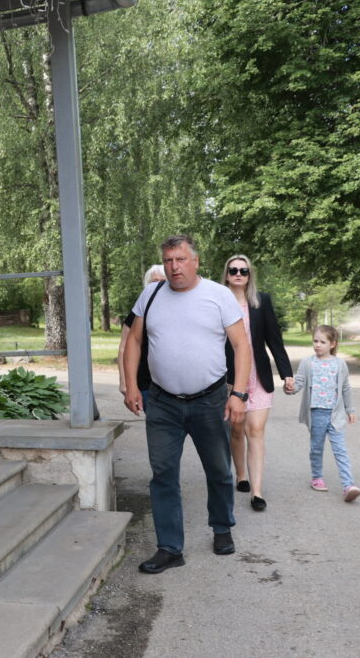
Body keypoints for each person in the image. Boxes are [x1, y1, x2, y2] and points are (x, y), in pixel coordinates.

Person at [120, 235, 252, 574]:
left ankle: (221, 527)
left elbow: (242, 346)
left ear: (195, 261)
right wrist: (132, 385)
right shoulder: (151, 294)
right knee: (163, 474)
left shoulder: (218, 295)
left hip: (210, 401)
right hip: (162, 402)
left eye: (180, 259)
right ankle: (169, 548)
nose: (174, 267)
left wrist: (238, 394)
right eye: (168, 260)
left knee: (219, 469)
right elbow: (134, 341)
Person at [221, 255, 294, 512]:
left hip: (258, 376)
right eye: (233, 270)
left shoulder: (261, 301)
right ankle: (241, 475)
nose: (238, 274)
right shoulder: (218, 303)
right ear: (226, 274)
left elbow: (274, 339)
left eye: (244, 270)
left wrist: (286, 373)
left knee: (256, 430)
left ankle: (257, 491)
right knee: (237, 429)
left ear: (249, 275)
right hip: (230, 379)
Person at [285, 325, 360, 502]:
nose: (318, 345)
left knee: (340, 450)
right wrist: (289, 388)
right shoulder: (307, 363)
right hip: (316, 413)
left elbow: (345, 388)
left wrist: (350, 410)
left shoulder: (340, 364)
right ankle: (317, 477)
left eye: (322, 342)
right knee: (316, 448)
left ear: (332, 344)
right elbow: (298, 384)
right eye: (315, 341)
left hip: (336, 414)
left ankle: (348, 485)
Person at [119, 264, 166, 409]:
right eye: (154, 281)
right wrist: (124, 383)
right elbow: (123, 348)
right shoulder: (137, 313)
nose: (158, 285)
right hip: (147, 384)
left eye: (162, 281)